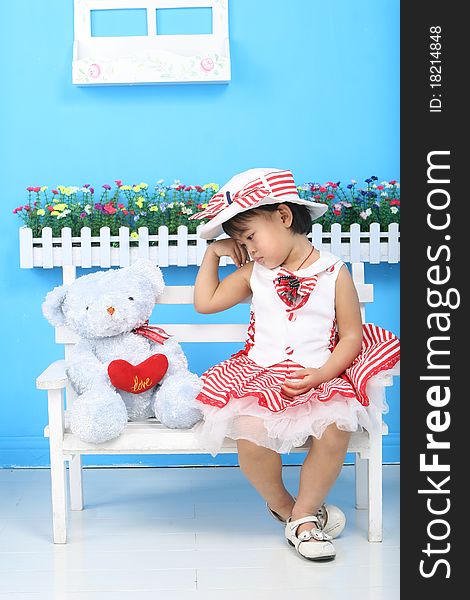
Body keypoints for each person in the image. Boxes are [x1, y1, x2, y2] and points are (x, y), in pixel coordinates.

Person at [188, 168, 400, 561]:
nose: (249, 250)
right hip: (261, 373)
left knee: (336, 428)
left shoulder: (334, 272)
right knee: (248, 434)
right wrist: (212, 252)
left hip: (319, 373)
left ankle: (306, 513)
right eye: (240, 242)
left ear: (284, 217)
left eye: (250, 237)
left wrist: (323, 373)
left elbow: (351, 335)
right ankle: (290, 511)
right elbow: (206, 303)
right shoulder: (255, 273)